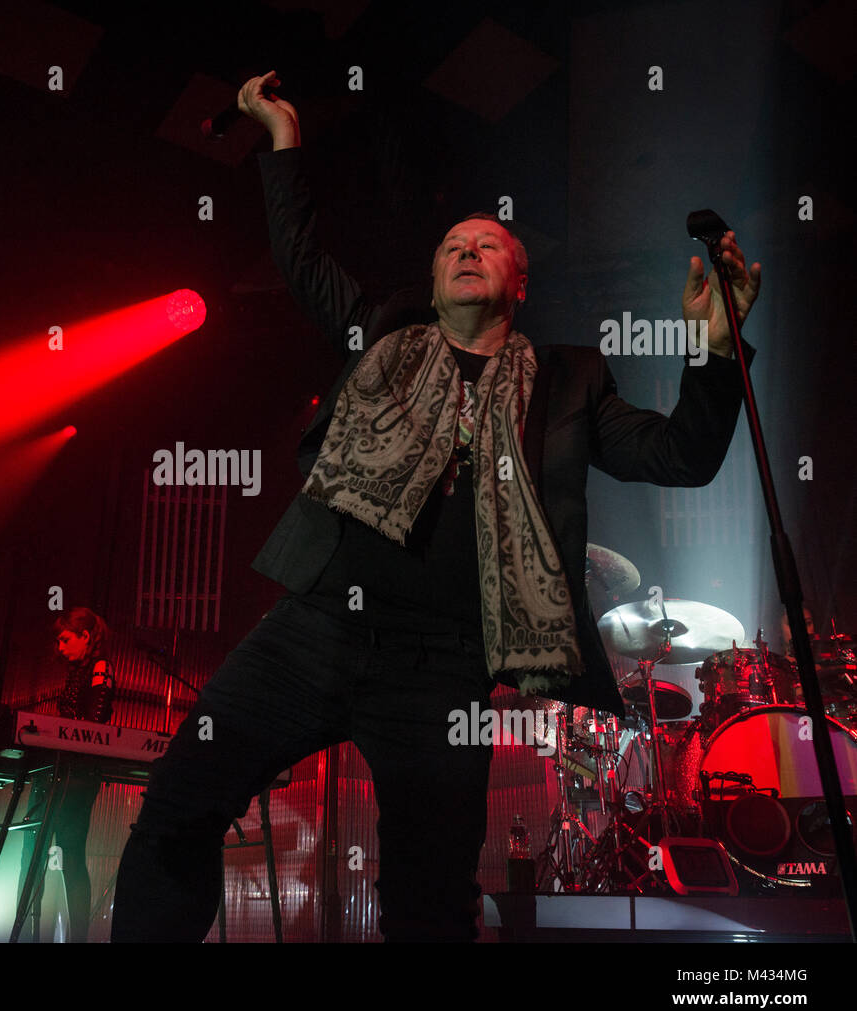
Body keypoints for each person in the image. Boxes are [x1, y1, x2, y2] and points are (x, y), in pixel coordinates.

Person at [109, 70, 761, 942]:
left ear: (518, 283)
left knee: (430, 897)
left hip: (445, 667)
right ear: (431, 273)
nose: (466, 249)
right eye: (454, 241)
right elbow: (302, 261)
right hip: (315, 629)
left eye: (488, 244)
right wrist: (284, 140)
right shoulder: (382, 332)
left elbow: (682, 455)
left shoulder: (569, 380)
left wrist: (714, 353)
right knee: (177, 805)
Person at [20, 607, 113, 942]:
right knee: (39, 851)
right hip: (63, 770)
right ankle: (33, 932)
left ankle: (77, 938)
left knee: (70, 854)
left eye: (65, 639)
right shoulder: (76, 671)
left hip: (79, 773)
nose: (59, 647)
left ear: (85, 637)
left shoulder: (99, 668)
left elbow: (94, 725)